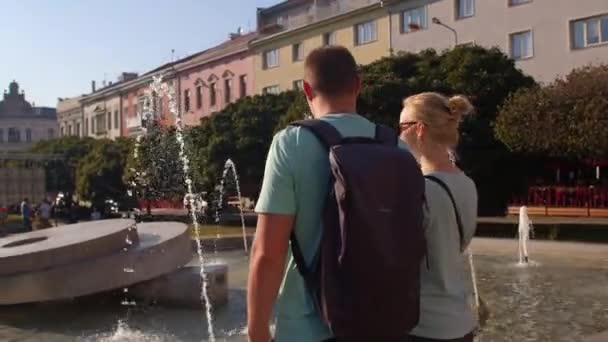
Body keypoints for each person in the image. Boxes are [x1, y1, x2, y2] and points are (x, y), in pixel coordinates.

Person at [247, 46, 402, 342]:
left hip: (307, 329)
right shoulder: (396, 146)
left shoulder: (290, 144)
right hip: (382, 322)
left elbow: (268, 253)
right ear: (358, 84)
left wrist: (256, 330)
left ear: (306, 89)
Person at [399, 92, 477, 342]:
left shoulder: (419, 189)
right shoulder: (467, 184)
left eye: (402, 127)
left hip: (424, 326)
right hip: (460, 322)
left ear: (419, 129)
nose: (398, 135)